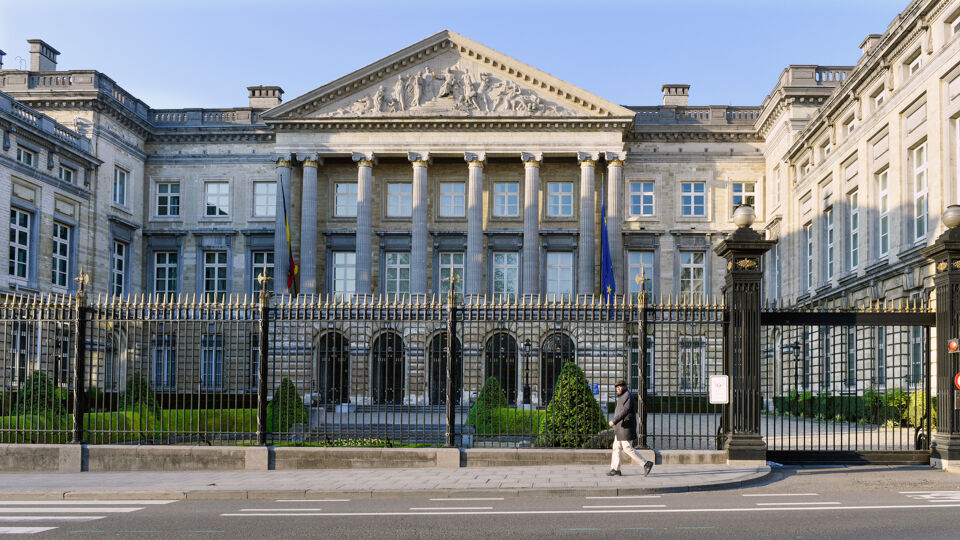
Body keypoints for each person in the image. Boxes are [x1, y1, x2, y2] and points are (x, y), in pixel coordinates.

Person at [607, 379, 653, 477]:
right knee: (616, 447)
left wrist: (614, 421)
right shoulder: (622, 396)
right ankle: (615, 469)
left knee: (627, 448)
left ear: (624, 386)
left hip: (626, 427)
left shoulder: (628, 395)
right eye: (617, 387)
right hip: (620, 427)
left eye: (620, 386)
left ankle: (646, 464)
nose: (618, 388)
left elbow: (625, 411)